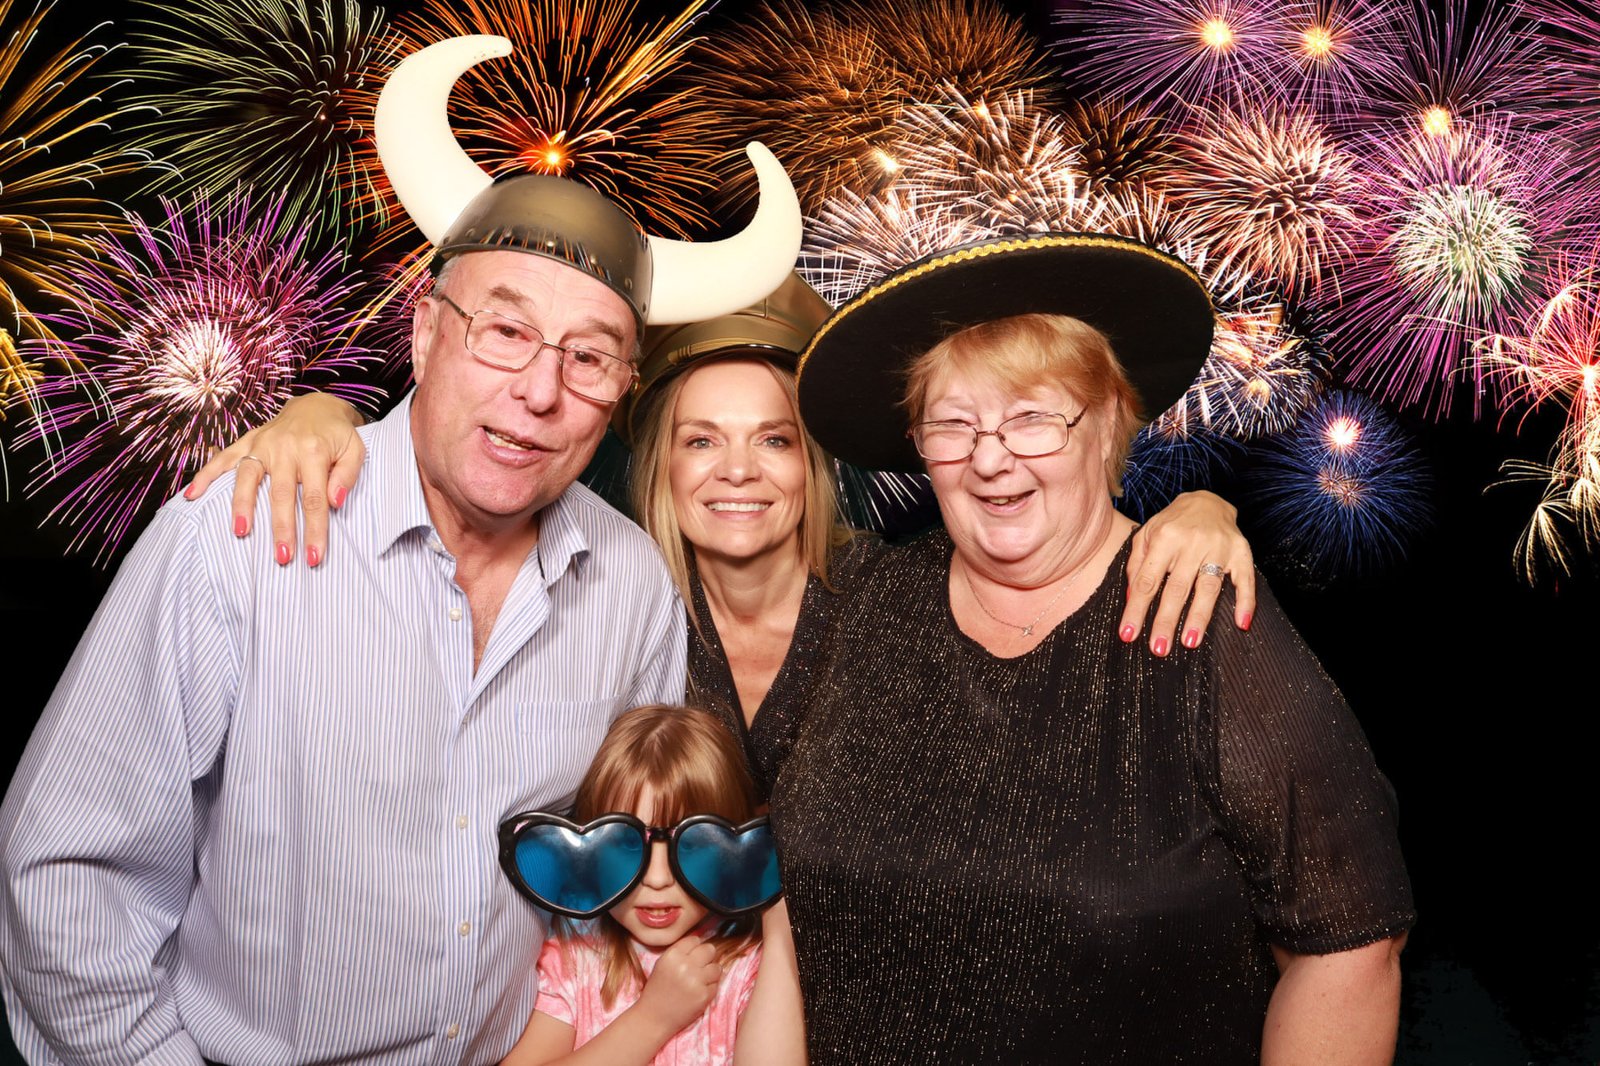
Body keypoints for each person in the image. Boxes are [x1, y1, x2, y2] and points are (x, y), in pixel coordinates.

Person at [0, 35, 803, 1065]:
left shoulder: (631, 585)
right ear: (425, 333)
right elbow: (66, 876)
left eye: (589, 357)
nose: (540, 390)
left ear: (620, 393)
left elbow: (627, 867)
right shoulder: (234, 537)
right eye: (503, 332)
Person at [193, 278, 1259, 799]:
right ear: (660, 464)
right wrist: (319, 414)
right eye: (701, 440)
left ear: (814, 465)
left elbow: (1046, 578)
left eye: (773, 440)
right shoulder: (610, 602)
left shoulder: (904, 595)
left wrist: (1200, 512)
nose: (738, 471)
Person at [773, 233, 1416, 1063]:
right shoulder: (861, 599)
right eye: (953, 425)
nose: (990, 459)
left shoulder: (1199, 615)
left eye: (1033, 419)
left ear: (1109, 420)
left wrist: (1208, 509)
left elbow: (1350, 945)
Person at [498, 704, 803, 1066]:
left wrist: (777, 917)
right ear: (591, 848)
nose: (657, 879)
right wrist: (653, 1018)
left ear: (730, 849)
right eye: (627, 843)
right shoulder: (575, 956)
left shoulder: (748, 963)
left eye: (692, 844)